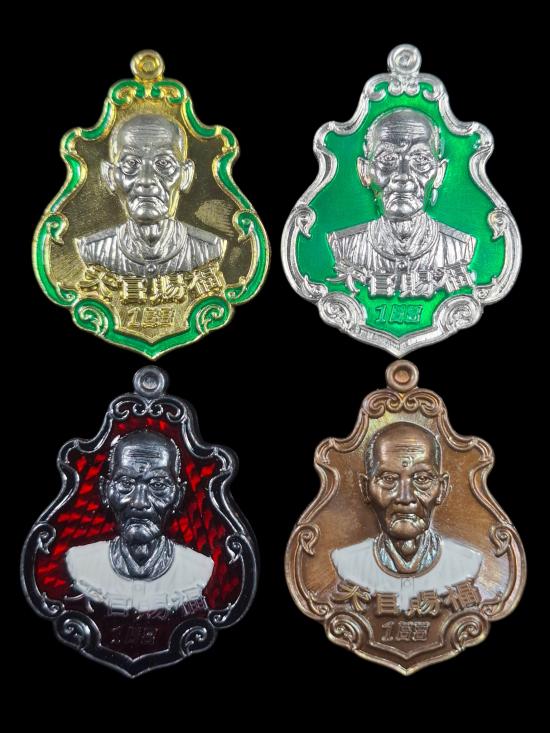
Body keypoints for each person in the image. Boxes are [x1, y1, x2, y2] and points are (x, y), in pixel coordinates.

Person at [331, 422, 482, 608]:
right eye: (388, 479)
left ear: (442, 489)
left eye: (422, 479)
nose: (405, 498)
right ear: (365, 488)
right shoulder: (347, 562)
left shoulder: (467, 563)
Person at [328, 108, 476, 297]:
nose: (403, 175)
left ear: (440, 173)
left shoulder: (461, 247)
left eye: (420, 159)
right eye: (388, 158)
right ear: (364, 171)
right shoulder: (343, 245)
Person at [65, 430, 214, 612]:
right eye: (126, 483)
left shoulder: (199, 568)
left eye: (158, 485)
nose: (139, 502)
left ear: (178, 495)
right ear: (105, 490)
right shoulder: (79, 562)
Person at [76, 114, 226, 279]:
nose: (146, 180)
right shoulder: (92, 250)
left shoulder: (210, 249)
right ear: (109, 175)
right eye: (131, 163)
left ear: (186, 175)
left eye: (164, 163)